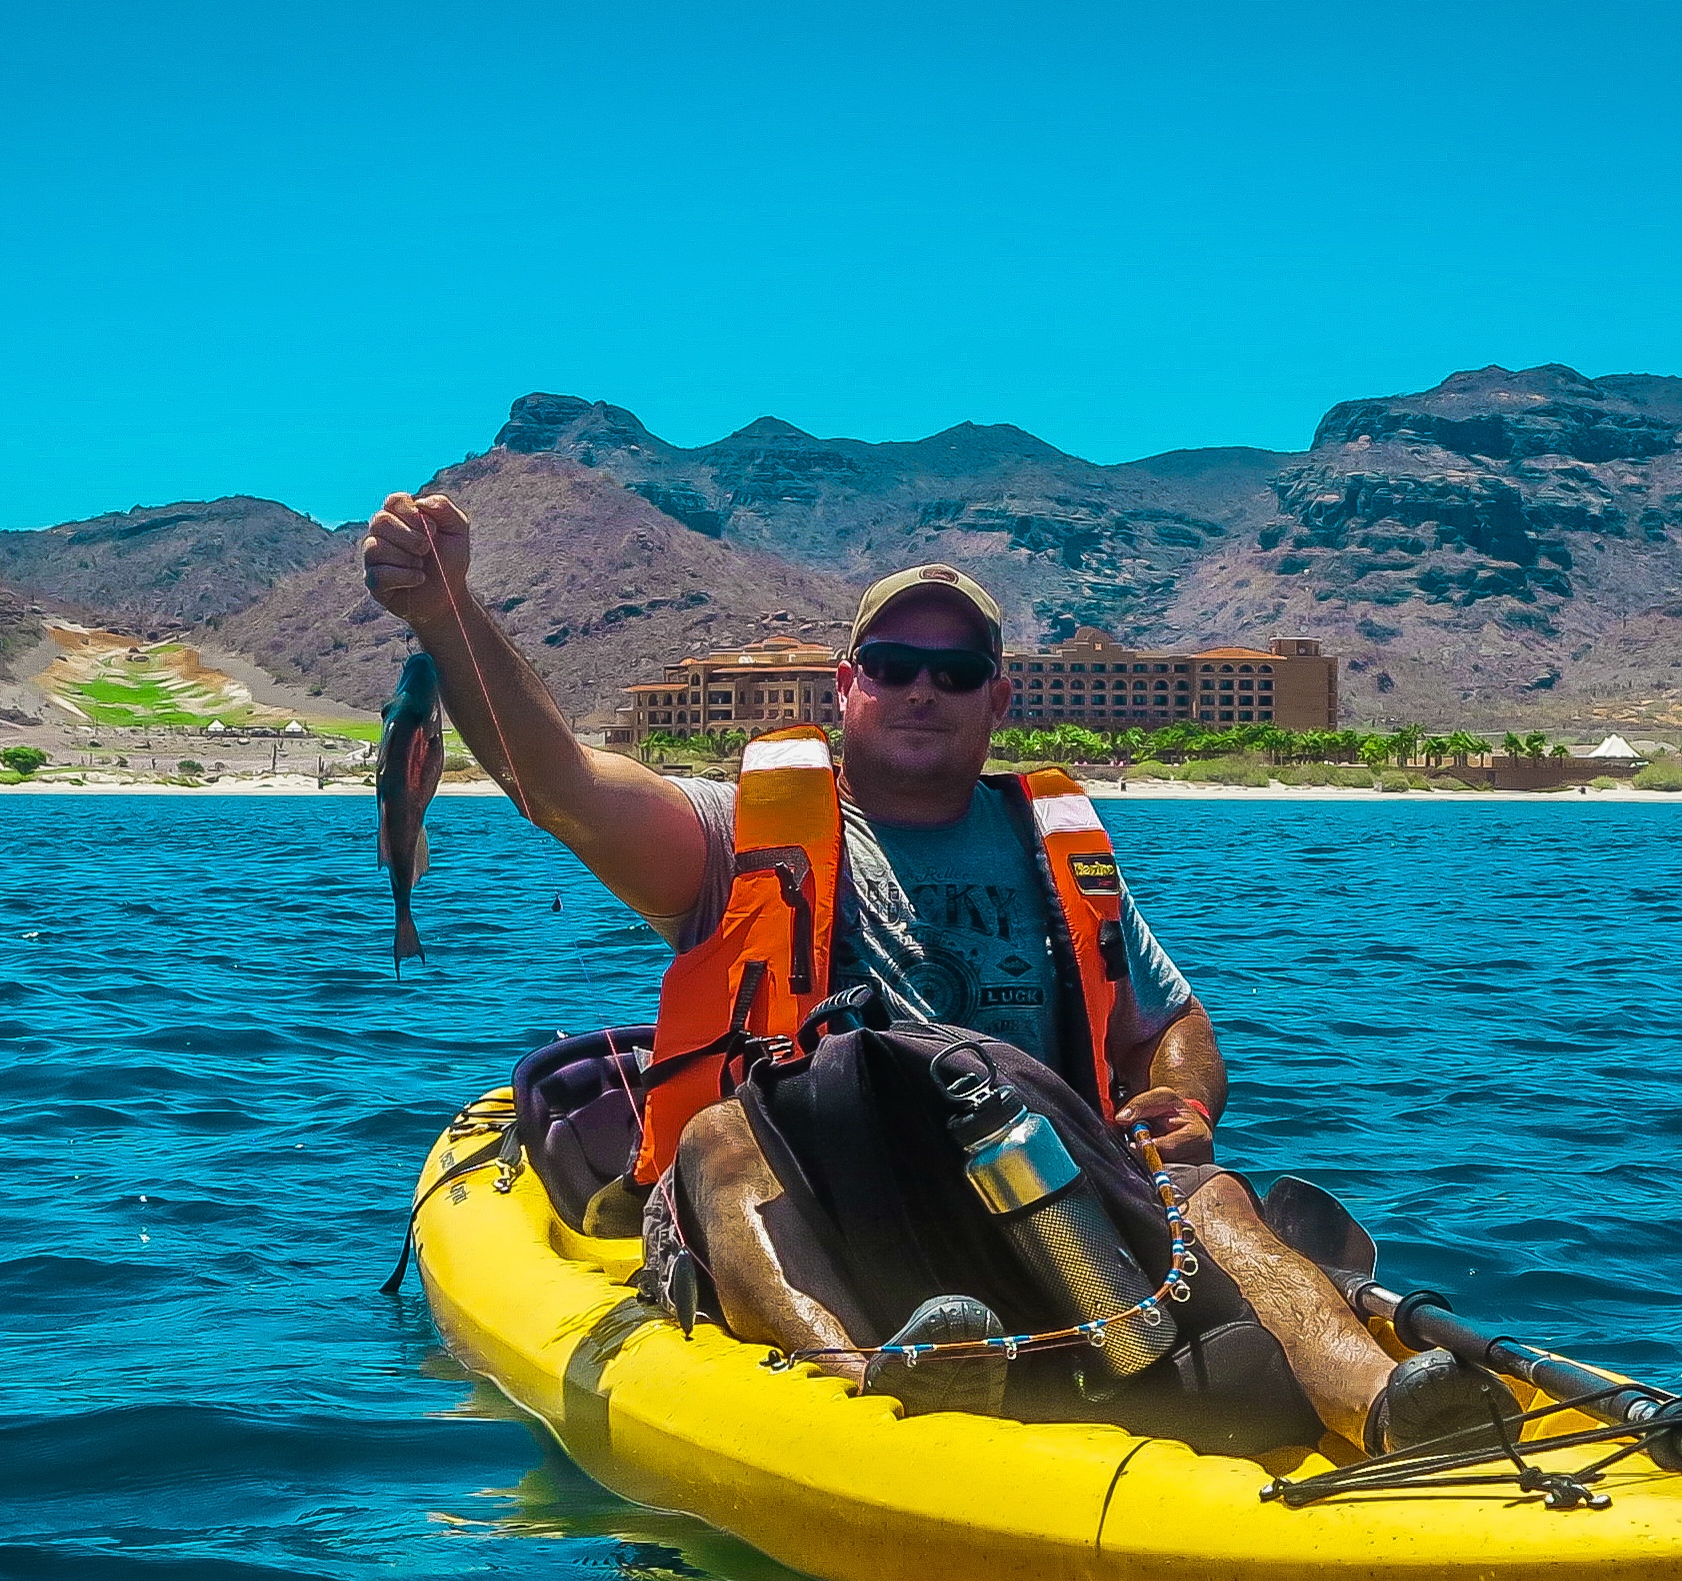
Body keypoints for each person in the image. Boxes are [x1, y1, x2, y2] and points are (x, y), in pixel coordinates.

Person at [362, 491, 1491, 1453]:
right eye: (895, 665)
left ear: (997, 700)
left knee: (1214, 1195)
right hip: (829, 1195)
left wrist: (1183, 1100)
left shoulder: (1058, 853)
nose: (922, 690)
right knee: (718, 1139)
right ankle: (860, 1378)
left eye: (955, 671)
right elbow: (558, 783)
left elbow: (1172, 1019)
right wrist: (445, 614)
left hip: (1044, 1191)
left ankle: (1387, 1406)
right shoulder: (728, 837)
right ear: (844, 688)